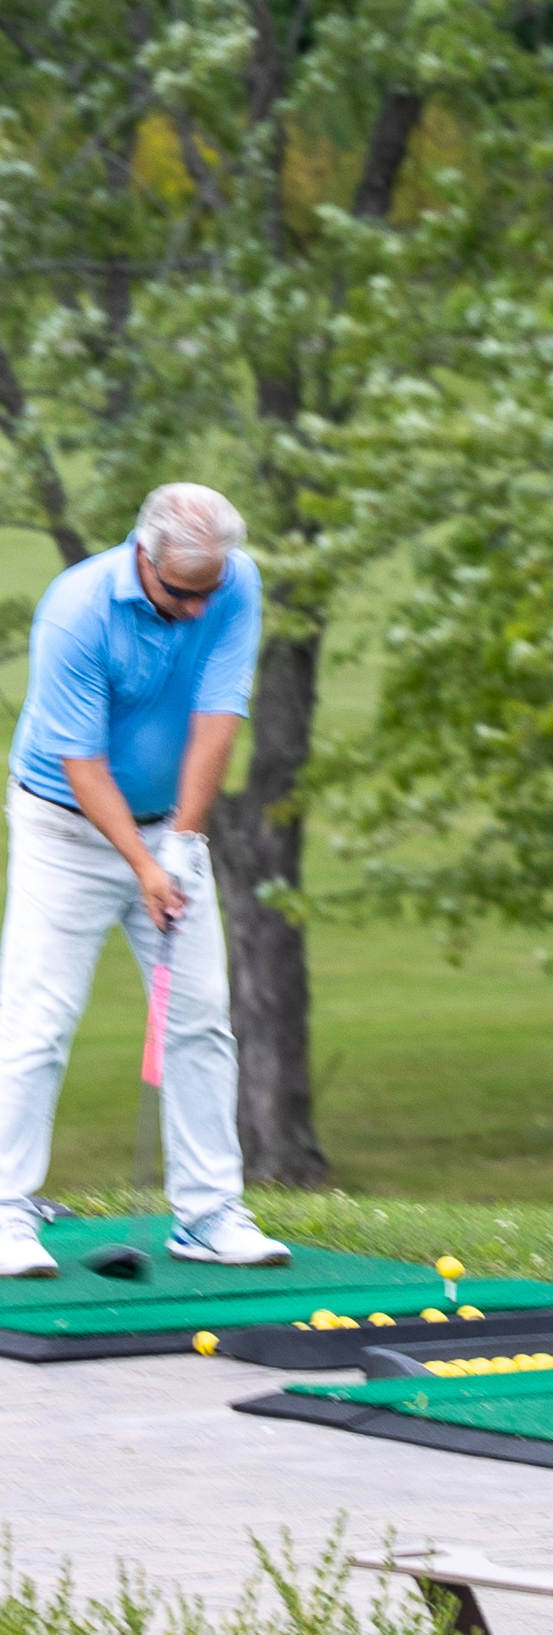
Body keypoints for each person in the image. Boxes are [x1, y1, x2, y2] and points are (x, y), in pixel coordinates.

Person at [0, 486, 281, 1277]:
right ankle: (5, 1216)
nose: (198, 608)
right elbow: (80, 764)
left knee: (199, 1017)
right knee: (38, 1021)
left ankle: (209, 1214)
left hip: (169, 828)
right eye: (181, 593)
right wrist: (143, 864)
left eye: (209, 590)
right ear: (143, 556)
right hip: (64, 829)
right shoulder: (76, 611)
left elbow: (219, 714)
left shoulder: (235, 582)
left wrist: (184, 842)